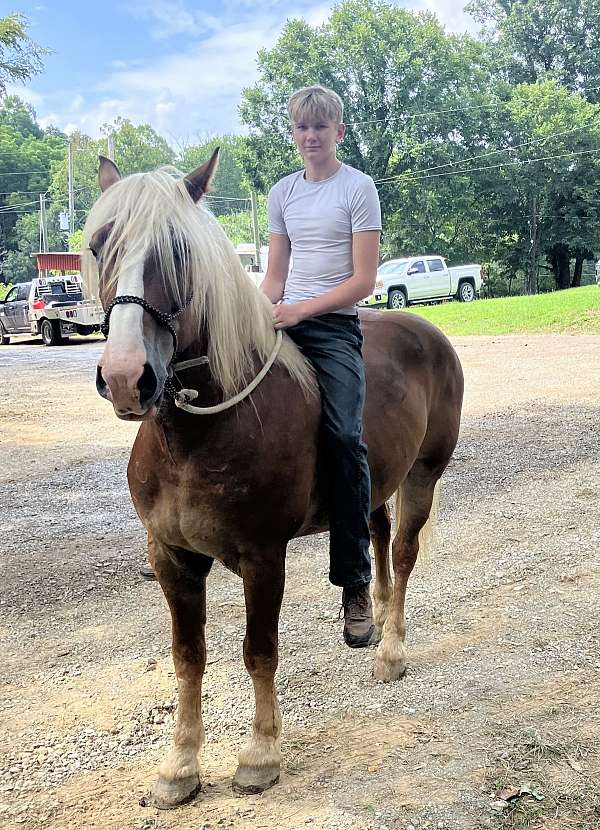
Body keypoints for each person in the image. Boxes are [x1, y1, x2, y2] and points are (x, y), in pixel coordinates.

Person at [261, 85, 381, 648]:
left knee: (344, 435)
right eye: (302, 129)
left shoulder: (358, 189)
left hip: (331, 327)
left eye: (320, 127)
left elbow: (363, 280)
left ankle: (356, 581)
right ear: (294, 133)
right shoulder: (282, 192)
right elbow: (274, 275)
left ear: (339, 131)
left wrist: (302, 310)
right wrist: (258, 313)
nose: (311, 137)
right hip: (282, 317)